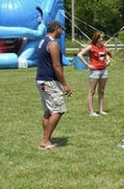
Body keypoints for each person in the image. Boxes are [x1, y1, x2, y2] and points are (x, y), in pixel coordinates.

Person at [36, 20, 72, 150]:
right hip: (50, 81)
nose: (62, 32)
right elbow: (56, 66)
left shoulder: (42, 42)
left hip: (41, 79)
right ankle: (45, 141)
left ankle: (47, 139)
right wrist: (65, 85)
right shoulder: (53, 44)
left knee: (48, 111)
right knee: (58, 110)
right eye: (61, 29)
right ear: (57, 29)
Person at [77, 31, 112, 116]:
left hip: (104, 71)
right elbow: (79, 54)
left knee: (102, 91)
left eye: (102, 37)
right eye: (100, 37)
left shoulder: (103, 47)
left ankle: (101, 110)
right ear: (96, 38)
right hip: (95, 72)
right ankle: (91, 112)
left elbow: (106, 55)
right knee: (91, 91)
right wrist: (87, 64)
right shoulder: (91, 47)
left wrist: (108, 60)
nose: (102, 39)